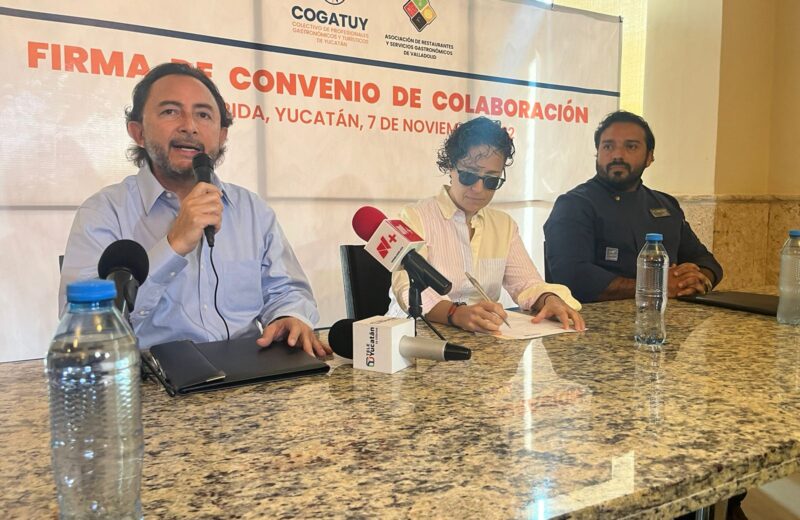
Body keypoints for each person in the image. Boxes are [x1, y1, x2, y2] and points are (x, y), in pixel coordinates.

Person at [58, 62, 330, 358]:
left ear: (222, 135)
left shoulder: (252, 210)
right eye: (170, 111)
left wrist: (288, 316)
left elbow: (287, 290)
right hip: (149, 377)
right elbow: (86, 331)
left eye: (203, 114)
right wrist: (173, 245)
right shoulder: (103, 212)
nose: (189, 126)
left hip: (250, 370)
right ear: (138, 132)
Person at [388, 117, 585, 333]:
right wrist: (455, 313)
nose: (479, 189)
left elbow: (527, 283)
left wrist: (549, 299)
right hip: (412, 335)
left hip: (481, 338)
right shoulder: (414, 217)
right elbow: (407, 286)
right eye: (468, 175)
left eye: (491, 180)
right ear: (451, 167)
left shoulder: (503, 226)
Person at [543, 110, 723, 303]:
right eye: (608, 146)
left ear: (649, 157)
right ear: (597, 153)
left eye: (631, 146)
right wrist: (656, 287)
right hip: (594, 319)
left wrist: (697, 281)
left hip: (667, 316)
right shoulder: (574, 205)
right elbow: (573, 277)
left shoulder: (665, 205)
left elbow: (706, 262)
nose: (617, 155)